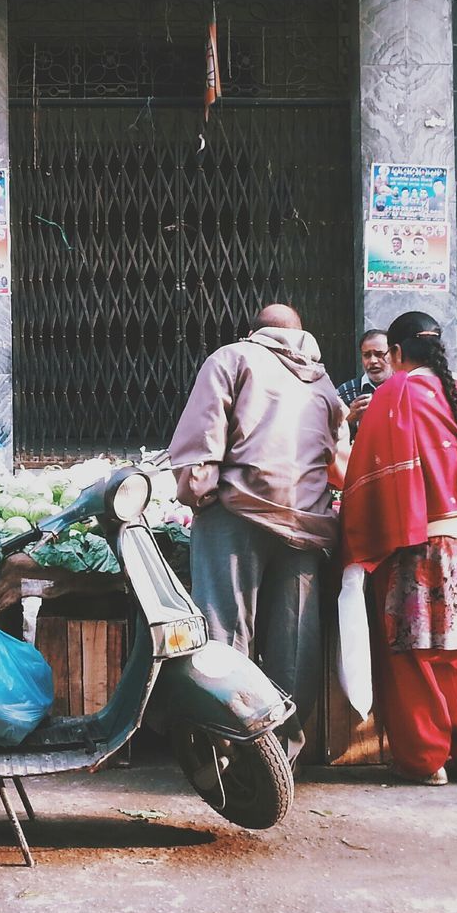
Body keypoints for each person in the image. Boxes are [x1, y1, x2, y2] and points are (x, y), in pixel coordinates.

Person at [168, 303, 345, 765]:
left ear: (255, 332)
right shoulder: (324, 382)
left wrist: (197, 495)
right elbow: (337, 459)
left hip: (238, 515)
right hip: (307, 523)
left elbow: (203, 437)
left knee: (225, 635)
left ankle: (222, 749)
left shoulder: (232, 358)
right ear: (301, 335)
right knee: (295, 642)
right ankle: (279, 756)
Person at [338, 311, 457, 785]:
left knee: (413, 655)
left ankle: (425, 761)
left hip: (417, 541)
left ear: (395, 354)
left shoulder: (397, 392)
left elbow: (366, 474)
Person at [336, 330, 392, 433]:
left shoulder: (405, 389)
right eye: (366, 355)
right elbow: (329, 437)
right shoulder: (346, 392)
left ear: (393, 355)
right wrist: (349, 419)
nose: (372, 361)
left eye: (379, 354)